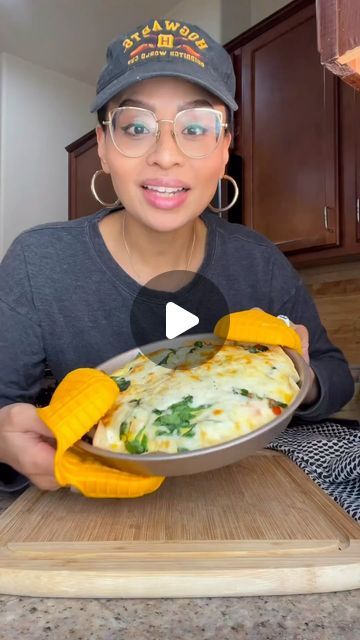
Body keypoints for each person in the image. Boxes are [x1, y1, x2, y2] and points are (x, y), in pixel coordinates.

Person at [0, 18, 354, 492]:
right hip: (97, 512)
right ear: (103, 146)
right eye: (136, 126)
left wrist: (296, 372)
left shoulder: (258, 261)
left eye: (196, 126)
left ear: (226, 147)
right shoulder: (38, 261)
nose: (166, 154)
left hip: (245, 499)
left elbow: (335, 376)